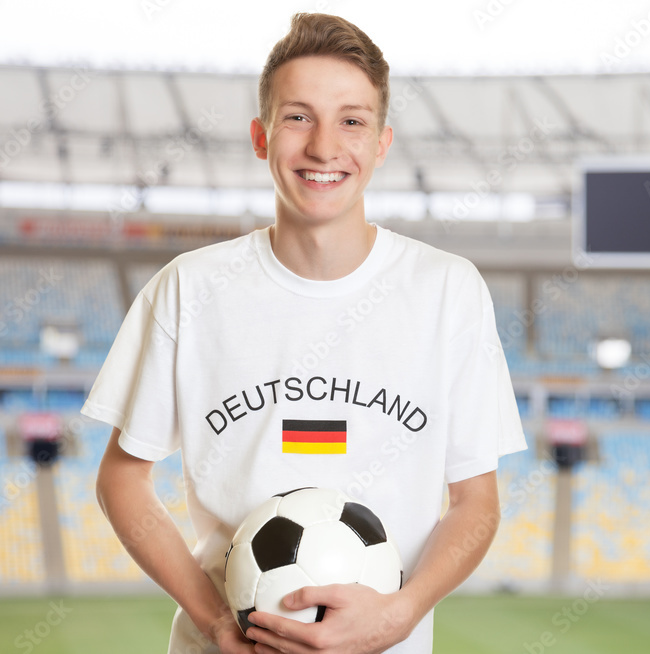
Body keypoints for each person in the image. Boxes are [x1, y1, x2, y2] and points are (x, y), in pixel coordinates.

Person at [84, 12, 526, 654]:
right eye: (298, 117)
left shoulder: (448, 291)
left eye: (352, 120)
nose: (324, 147)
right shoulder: (189, 288)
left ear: (382, 142)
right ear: (262, 138)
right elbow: (121, 479)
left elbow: (476, 502)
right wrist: (213, 622)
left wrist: (397, 615)